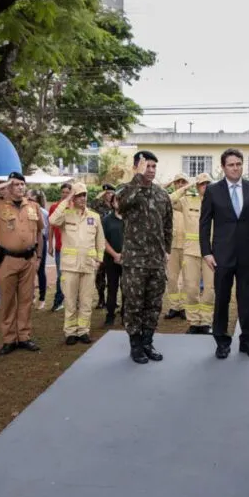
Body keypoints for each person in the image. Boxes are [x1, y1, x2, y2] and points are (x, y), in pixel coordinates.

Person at [199, 148, 249, 360]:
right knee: (221, 299)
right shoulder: (213, 191)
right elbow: (204, 224)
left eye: (238, 164)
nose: (235, 168)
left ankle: (247, 341)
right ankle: (221, 341)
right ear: (223, 168)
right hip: (221, 256)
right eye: (231, 165)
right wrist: (207, 253)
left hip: (248, 256)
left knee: (246, 299)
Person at [0, 172, 43, 356]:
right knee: (8, 301)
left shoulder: (33, 206)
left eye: (22, 184)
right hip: (7, 260)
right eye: (16, 184)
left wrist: (39, 258)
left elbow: (39, 234)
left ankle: (25, 336)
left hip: (28, 260)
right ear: (8, 187)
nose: (20, 187)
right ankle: (9, 339)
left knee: (26, 301)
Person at [119, 150, 172, 364]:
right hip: (134, 261)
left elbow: (168, 226)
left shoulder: (162, 195)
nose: (150, 171)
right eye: (146, 166)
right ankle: (136, 346)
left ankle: (148, 342)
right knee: (133, 304)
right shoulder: (127, 191)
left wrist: (166, 251)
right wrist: (137, 180)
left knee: (153, 304)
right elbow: (121, 206)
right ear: (136, 168)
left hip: (156, 261)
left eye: (153, 167)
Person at [49, 183, 105, 344]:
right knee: (70, 301)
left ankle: (83, 331)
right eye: (79, 195)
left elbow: (100, 240)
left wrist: (99, 259)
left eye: (84, 195)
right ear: (73, 197)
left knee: (86, 301)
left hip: (88, 265)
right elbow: (52, 220)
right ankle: (70, 332)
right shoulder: (66, 214)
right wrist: (66, 199)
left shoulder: (94, 217)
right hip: (70, 266)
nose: (82, 198)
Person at [170, 172, 214, 334]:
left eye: (208, 184)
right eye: (202, 184)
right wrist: (186, 186)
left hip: (211, 253)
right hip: (190, 251)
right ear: (197, 186)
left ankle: (206, 322)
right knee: (191, 288)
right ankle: (194, 322)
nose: (205, 187)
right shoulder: (188, 201)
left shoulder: (217, 203)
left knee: (209, 289)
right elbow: (169, 201)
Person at [163, 174, 187, 320]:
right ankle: (174, 306)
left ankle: (184, 306)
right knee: (172, 278)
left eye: (183, 182)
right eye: (177, 182)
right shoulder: (168, 200)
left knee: (187, 279)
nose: (180, 184)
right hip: (171, 246)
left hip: (187, 246)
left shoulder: (192, 200)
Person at [90, 183, 116, 309]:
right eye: (106, 193)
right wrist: (99, 196)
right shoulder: (97, 205)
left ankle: (113, 300)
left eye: (110, 193)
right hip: (99, 243)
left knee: (113, 275)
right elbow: (91, 205)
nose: (108, 195)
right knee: (100, 274)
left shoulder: (116, 205)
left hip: (112, 244)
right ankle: (101, 299)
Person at [101, 190, 125, 326]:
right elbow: (102, 240)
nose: (118, 202)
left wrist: (125, 255)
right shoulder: (106, 220)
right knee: (112, 288)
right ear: (112, 202)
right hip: (111, 260)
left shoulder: (130, 219)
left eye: (121, 200)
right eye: (116, 200)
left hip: (128, 260)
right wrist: (115, 255)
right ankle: (110, 315)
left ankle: (125, 315)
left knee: (127, 289)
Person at [47, 182, 72, 312]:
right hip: (60, 248)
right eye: (63, 192)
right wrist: (50, 244)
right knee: (60, 276)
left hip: (74, 249)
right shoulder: (54, 207)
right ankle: (58, 301)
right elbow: (51, 227)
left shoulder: (74, 207)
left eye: (68, 192)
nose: (65, 195)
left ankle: (73, 301)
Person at [27, 189, 49, 310]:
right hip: (29, 242)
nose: (27, 199)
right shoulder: (24, 210)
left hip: (40, 242)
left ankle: (42, 298)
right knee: (28, 271)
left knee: (40, 270)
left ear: (35, 198)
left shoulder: (43, 212)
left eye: (29, 197)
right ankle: (31, 296)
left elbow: (45, 231)